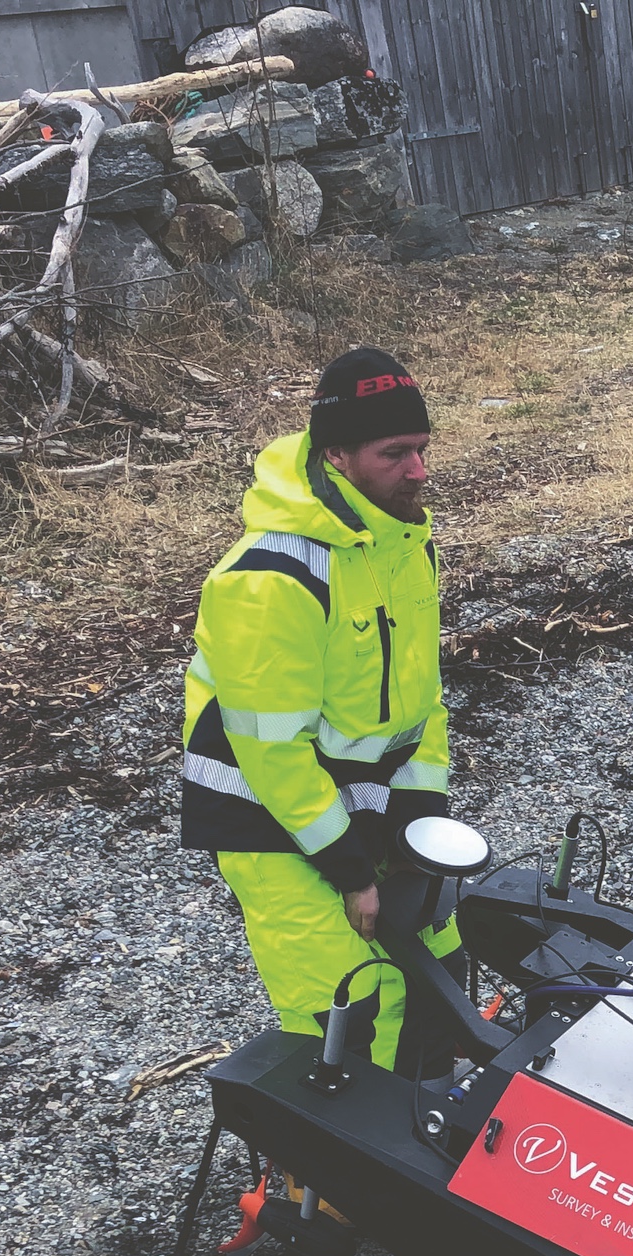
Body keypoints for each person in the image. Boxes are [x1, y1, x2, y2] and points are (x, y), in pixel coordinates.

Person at [181, 347, 454, 1073]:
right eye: (394, 452)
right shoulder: (271, 577)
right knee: (346, 996)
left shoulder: (404, 545)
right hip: (267, 812)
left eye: (422, 449)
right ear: (337, 454)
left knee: (440, 957)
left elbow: (425, 705)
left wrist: (420, 832)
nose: (419, 471)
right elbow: (270, 750)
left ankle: (419, 1131)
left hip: (353, 798)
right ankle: (328, 1175)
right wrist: (352, 871)